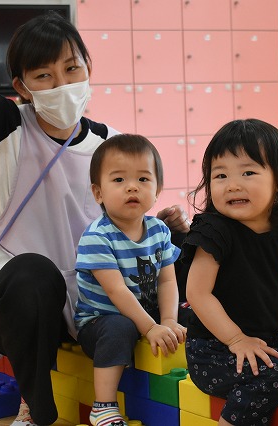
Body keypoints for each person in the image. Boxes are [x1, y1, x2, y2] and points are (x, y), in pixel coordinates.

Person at [0, 2, 189, 425]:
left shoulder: (110, 144)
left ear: (88, 68)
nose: (62, 84)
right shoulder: (5, 127)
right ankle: (36, 408)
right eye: (44, 76)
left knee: (188, 244)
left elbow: (123, 219)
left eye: (71, 69)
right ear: (22, 86)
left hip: (93, 299)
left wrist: (160, 225)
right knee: (35, 274)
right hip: (20, 302)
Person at [182, 119, 278, 426]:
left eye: (248, 172)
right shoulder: (214, 230)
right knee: (272, 375)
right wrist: (236, 339)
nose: (232, 184)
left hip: (266, 339)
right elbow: (197, 293)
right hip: (214, 349)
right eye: (220, 175)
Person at [74, 134, 186, 426]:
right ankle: (103, 406)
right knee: (119, 327)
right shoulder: (97, 237)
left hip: (147, 315)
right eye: (119, 180)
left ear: (157, 190)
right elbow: (117, 291)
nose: (132, 186)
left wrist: (169, 321)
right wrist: (150, 327)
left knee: (192, 316)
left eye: (143, 179)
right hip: (101, 322)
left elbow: (167, 282)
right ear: (98, 193)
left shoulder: (159, 230)